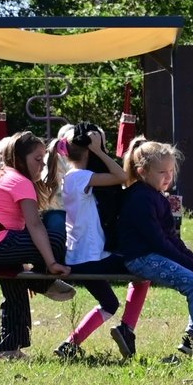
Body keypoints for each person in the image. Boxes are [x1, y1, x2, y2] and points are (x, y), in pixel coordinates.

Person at [0, 132, 75, 360]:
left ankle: (8, 350)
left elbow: (22, 226)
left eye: (44, 160)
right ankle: (43, 281)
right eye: (37, 159)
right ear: (19, 158)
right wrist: (51, 262)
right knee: (54, 234)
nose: (42, 165)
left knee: (15, 289)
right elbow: (35, 225)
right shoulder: (20, 180)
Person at [51, 122, 147, 361]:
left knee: (109, 303)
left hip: (83, 258)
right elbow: (121, 176)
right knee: (143, 270)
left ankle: (70, 345)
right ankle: (127, 329)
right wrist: (100, 151)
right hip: (90, 259)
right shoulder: (78, 177)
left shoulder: (75, 178)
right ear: (88, 150)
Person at [121, 141, 193, 359]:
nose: (168, 177)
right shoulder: (140, 197)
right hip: (141, 258)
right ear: (142, 171)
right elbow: (158, 241)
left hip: (155, 254)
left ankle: (191, 339)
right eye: (162, 172)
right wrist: (192, 268)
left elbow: (171, 238)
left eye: (171, 171)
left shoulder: (158, 197)